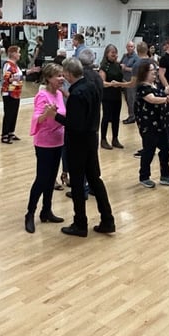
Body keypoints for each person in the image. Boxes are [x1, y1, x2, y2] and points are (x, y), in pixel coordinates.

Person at [44, 58, 115, 237]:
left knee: (77, 183)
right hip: (92, 139)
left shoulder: (76, 94)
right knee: (95, 179)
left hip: (78, 143)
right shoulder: (91, 86)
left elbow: (73, 124)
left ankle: (80, 223)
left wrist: (55, 116)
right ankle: (108, 220)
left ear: (68, 74)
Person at [24, 63, 66, 233]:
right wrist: (46, 114)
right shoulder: (42, 96)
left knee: (51, 178)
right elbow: (37, 119)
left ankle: (46, 210)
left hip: (59, 140)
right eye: (58, 76)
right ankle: (30, 213)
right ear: (49, 78)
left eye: (62, 75)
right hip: (45, 143)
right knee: (42, 179)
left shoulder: (59, 94)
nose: (62, 78)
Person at [133, 59, 169, 189]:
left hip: (160, 123)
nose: (155, 73)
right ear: (145, 73)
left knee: (165, 148)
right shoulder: (142, 87)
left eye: (155, 71)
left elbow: (166, 91)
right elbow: (151, 99)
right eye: (152, 71)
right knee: (149, 151)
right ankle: (144, 176)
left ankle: (165, 175)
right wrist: (168, 100)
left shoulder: (154, 85)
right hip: (148, 125)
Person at [98, 44, 128, 150]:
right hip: (107, 96)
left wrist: (127, 84)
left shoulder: (118, 65)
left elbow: (121, 79)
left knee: (116, 118)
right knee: (106, 117)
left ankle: (115, 139)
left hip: (117, 95)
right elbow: (102, 83)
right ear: (107, 54)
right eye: (112, 53)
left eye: (115, 53)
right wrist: (112, 84)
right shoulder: (103, 67)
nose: (114, 55)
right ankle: (103, 140)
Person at [0, 46, 24, 144]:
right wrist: (16, 78)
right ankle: (4, 134)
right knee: (9, 113)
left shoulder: (15, 65)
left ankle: (11, 132)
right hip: (9, 92)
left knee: (14, 113)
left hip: (16, 92)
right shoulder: (8, 65)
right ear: (13, 53)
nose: (19, 54)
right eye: (18, 52)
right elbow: (7, 78)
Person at [120, 41, 140, 124]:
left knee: (131, 99)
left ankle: (132, 117)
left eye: (131, 46)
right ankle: (131, 115)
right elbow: (121, 64)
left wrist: (126, 68)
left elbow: (137, 70)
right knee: (127, 100)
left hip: (132, 82)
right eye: (128, 46)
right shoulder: (124, 56)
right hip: (124, 81)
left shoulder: (136, 58)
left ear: (134, 48)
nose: (130, 48)